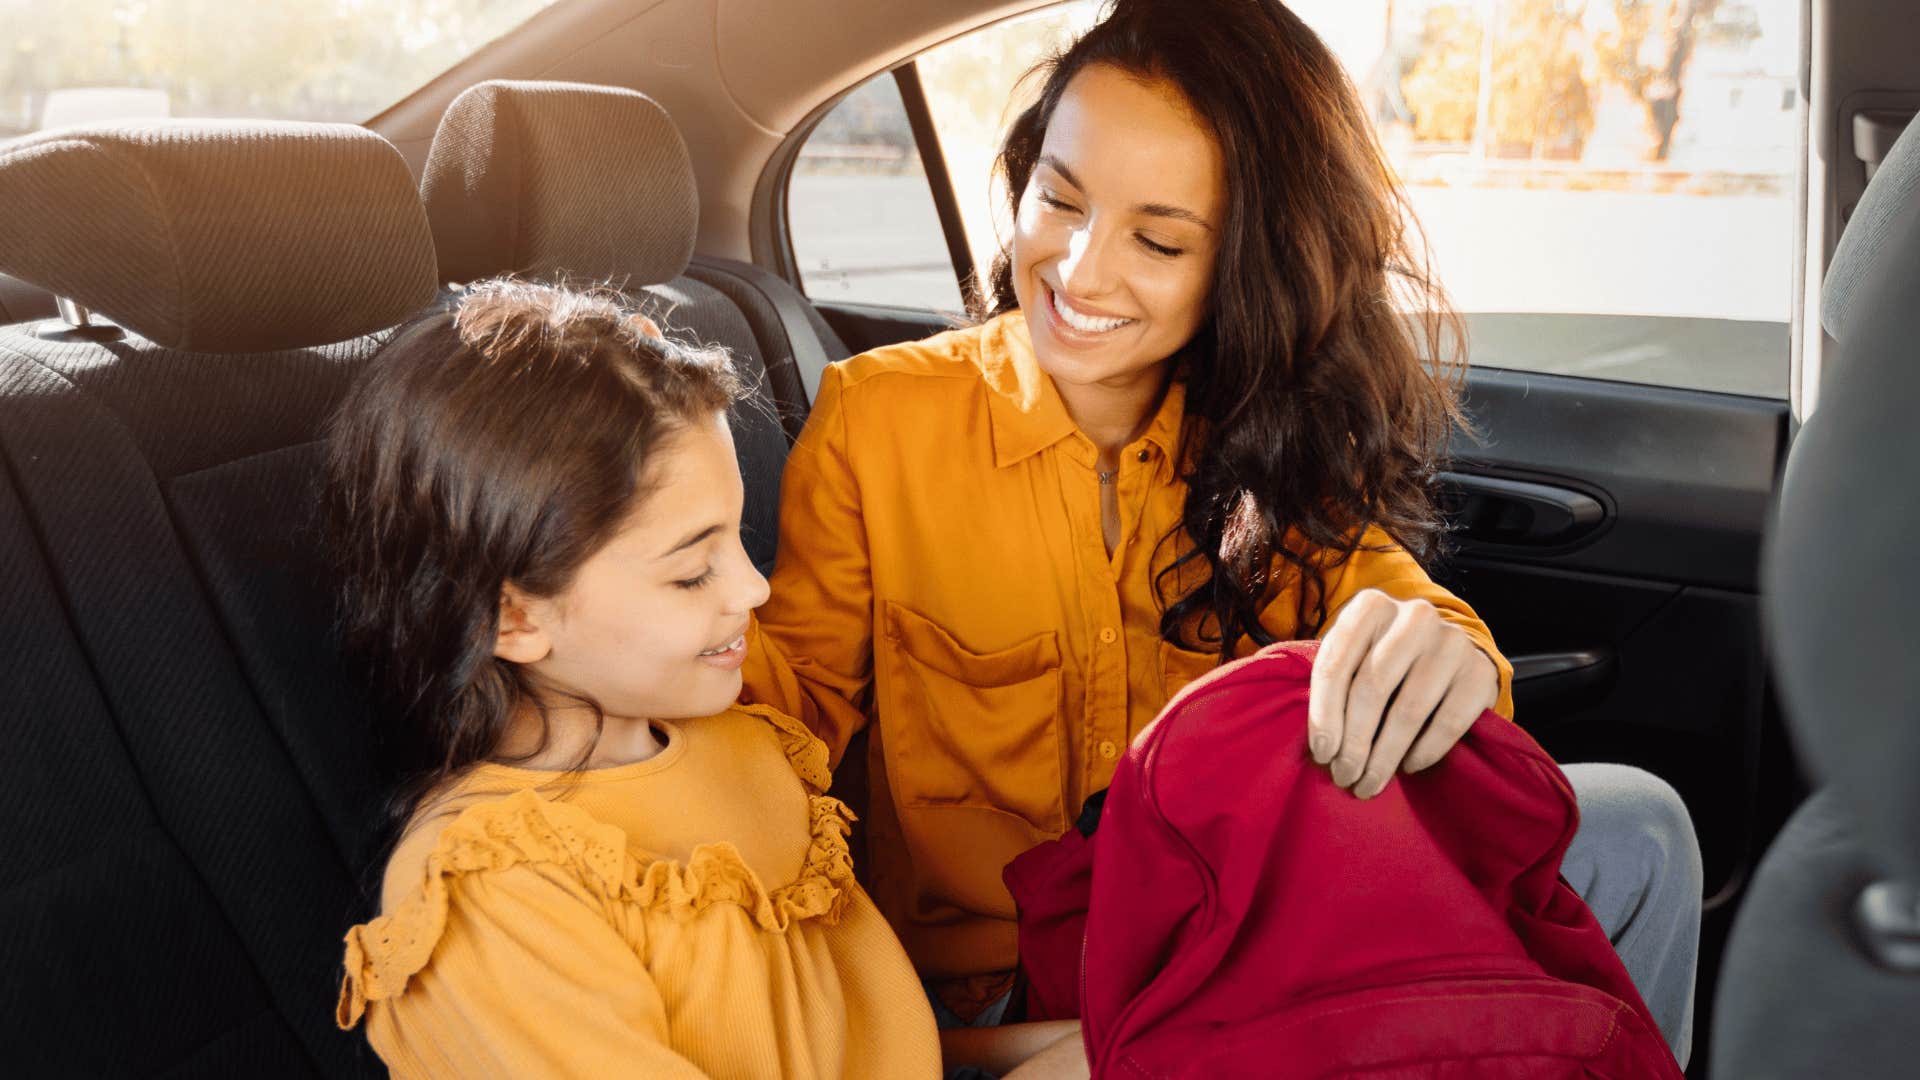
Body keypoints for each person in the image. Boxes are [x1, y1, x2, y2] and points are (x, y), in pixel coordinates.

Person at [742, 0, 1703, 1067]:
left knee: (1644, 834)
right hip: (998, 993)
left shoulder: (1270, 436)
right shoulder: (879, 421)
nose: (1080, 270)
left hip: (1239, 941)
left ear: (1244, 261)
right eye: (1057, 200)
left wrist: (1445, 647)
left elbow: (1388, 595)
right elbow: (783, 729)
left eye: (1158, 239)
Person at [325, 280, 1077, 1077]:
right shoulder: (494, 893)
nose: (754, 590)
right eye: (692, 573)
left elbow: (869, 1048)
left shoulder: (741, 742)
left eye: (740, 540)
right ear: (512, 618)